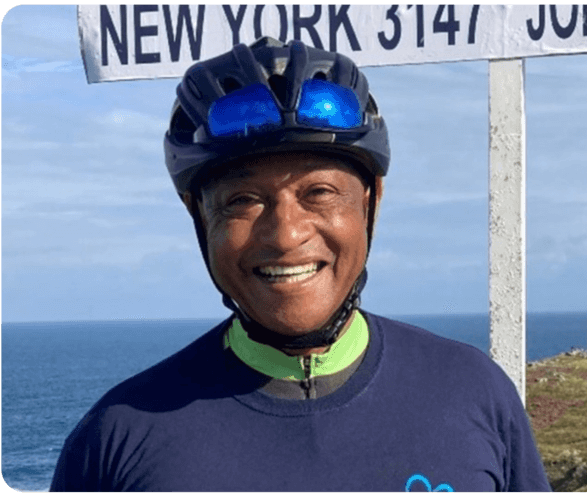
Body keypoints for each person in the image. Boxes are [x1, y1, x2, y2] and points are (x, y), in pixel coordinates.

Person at [50, 38, 550, 493]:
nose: (287, 235)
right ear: (198, 216)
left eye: (320, 193)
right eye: (243, 200)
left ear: (371, 201)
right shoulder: (116, 438)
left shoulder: (474, 391)